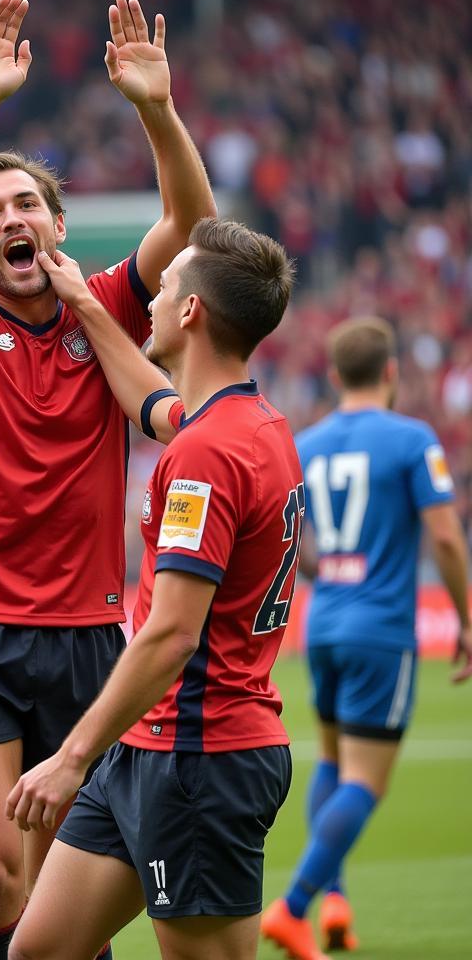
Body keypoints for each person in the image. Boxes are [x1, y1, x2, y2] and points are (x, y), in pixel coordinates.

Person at [0, 0, 215, 958]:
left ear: (57, 225)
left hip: (84, 637)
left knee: (67, 889)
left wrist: (155, 107)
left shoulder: (102, 303)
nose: (10, 218)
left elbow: (194, 226)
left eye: (26, 202)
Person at [5, 217, 299, 960]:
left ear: (191, 312)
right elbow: (154, 403)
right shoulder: (249, 423)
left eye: (166, 286)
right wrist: (86, 305)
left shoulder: (207, 454)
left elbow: (172, 633)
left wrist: (72, 755)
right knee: (37, 949)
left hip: (202, 757)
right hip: (149, 747)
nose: (156, 296)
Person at [260, 317, 472, 960]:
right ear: (391, 372)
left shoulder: (309, 443)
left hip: (322, 623)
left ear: (332, 375)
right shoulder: (411, 439)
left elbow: (291, 538)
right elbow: (442, 536)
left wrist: (330, 573)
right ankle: (293, 908)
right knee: (367, 780)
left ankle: (336, 901)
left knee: (331, 761)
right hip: (381, 630)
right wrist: (466, 619)